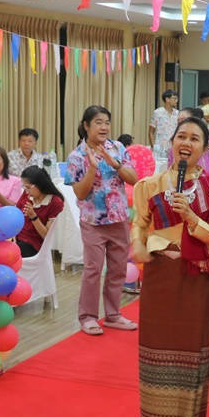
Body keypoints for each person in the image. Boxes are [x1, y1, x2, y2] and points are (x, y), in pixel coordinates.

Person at [131, 116, 209, 417]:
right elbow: (140, 224)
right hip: (159, 274)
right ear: (171, 142)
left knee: (194, 352)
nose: (186, 143)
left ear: (204, 149)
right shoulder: (149, 185)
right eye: (181, 136)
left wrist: (190, 215)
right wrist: (137, 245)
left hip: (195, 276)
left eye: (194, 138)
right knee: (153, 349)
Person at [65, 105, 139, 336]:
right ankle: (87, 317)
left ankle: (113, 315)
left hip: (119, 219)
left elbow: (134, 179)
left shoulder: (118, 148)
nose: (104, 127)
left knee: (117, 269)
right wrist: (92, 169)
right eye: (98, 122)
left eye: (107, 122)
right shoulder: (76, 156)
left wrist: (115, 163)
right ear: (86, 126)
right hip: (93, 221)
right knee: (93, 270)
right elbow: (80, 193)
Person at [15, 166, 64, 258]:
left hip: (34, 244)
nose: (26, 191)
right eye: (25, 187)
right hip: (16, 238)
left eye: (28, 187)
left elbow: (46, 236)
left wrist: (34, 217)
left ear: (39, 184)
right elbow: (15, 214)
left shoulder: (55, 202)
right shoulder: (27, 195)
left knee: (12, 253)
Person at [148, 89, 179, 160]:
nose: (176, 100)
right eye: (174, 98)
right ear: (167, 99)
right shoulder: (157, 113)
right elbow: (151, 131)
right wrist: (153, 147)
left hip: (173, 148)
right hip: (159, 148)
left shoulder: (177, 113)